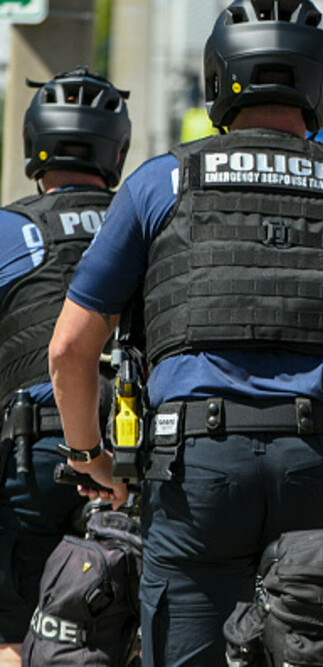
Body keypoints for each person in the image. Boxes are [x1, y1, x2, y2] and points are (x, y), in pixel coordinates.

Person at [48, 2, 323, 664]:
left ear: (218, 78)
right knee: (322, 634)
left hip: (197, 479)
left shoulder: (160, 184)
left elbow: (69, 347)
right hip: (322, 474)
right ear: (319, 86)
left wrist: (90, 457)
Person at [0, 68, 131, 666]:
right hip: (135, 457)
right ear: (117, 152)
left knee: (13, 631)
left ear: (34, 146)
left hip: (32, 456)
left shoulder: (10, 230)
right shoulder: (149, 222)